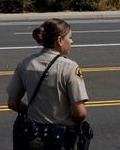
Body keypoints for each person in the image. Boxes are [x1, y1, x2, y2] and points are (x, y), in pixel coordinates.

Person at [7, 18, 91, 150]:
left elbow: (12, 103)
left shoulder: (25, 63)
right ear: (59, 40)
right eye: (70, 37)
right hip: (61, 139)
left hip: (32, 138)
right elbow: (80, 113)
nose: (72, 41)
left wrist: (31, 111)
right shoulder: (69, 67)